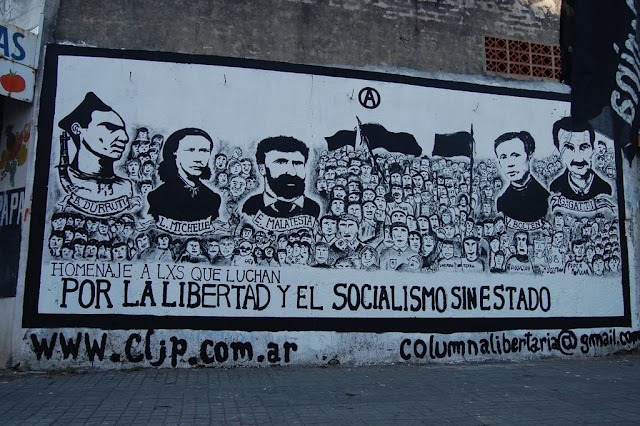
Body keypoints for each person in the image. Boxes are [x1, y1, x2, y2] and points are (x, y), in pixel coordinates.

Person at [57, 92, 133, 208]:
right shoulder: (66, 178)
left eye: (123, 130)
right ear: (77, 129)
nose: (125, 138)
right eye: (110, 127)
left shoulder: (125, 187)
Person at [146, 128, 221, 223]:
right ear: (175, 152)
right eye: (191, 150)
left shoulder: (213, 199)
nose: (198, 159)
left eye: (204, 151)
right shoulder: (158, 197)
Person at [242, 136, 320, 219]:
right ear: (262, 169)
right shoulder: (250, 207)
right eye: (281, 162)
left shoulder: (314, 208)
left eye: (297, 163)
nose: (292, 172)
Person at [550, 117, 612, 201]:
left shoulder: (605, 189)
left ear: (593, 149)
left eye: (584, 147)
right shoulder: (555, 188)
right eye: (569, 147)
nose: (578, 158)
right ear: (559, 151)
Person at [494, 131, 549, 222]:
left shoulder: (545, 197)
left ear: (530, 155)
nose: (510, 164)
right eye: (503, 157)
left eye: (516, 155)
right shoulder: (502, 201)